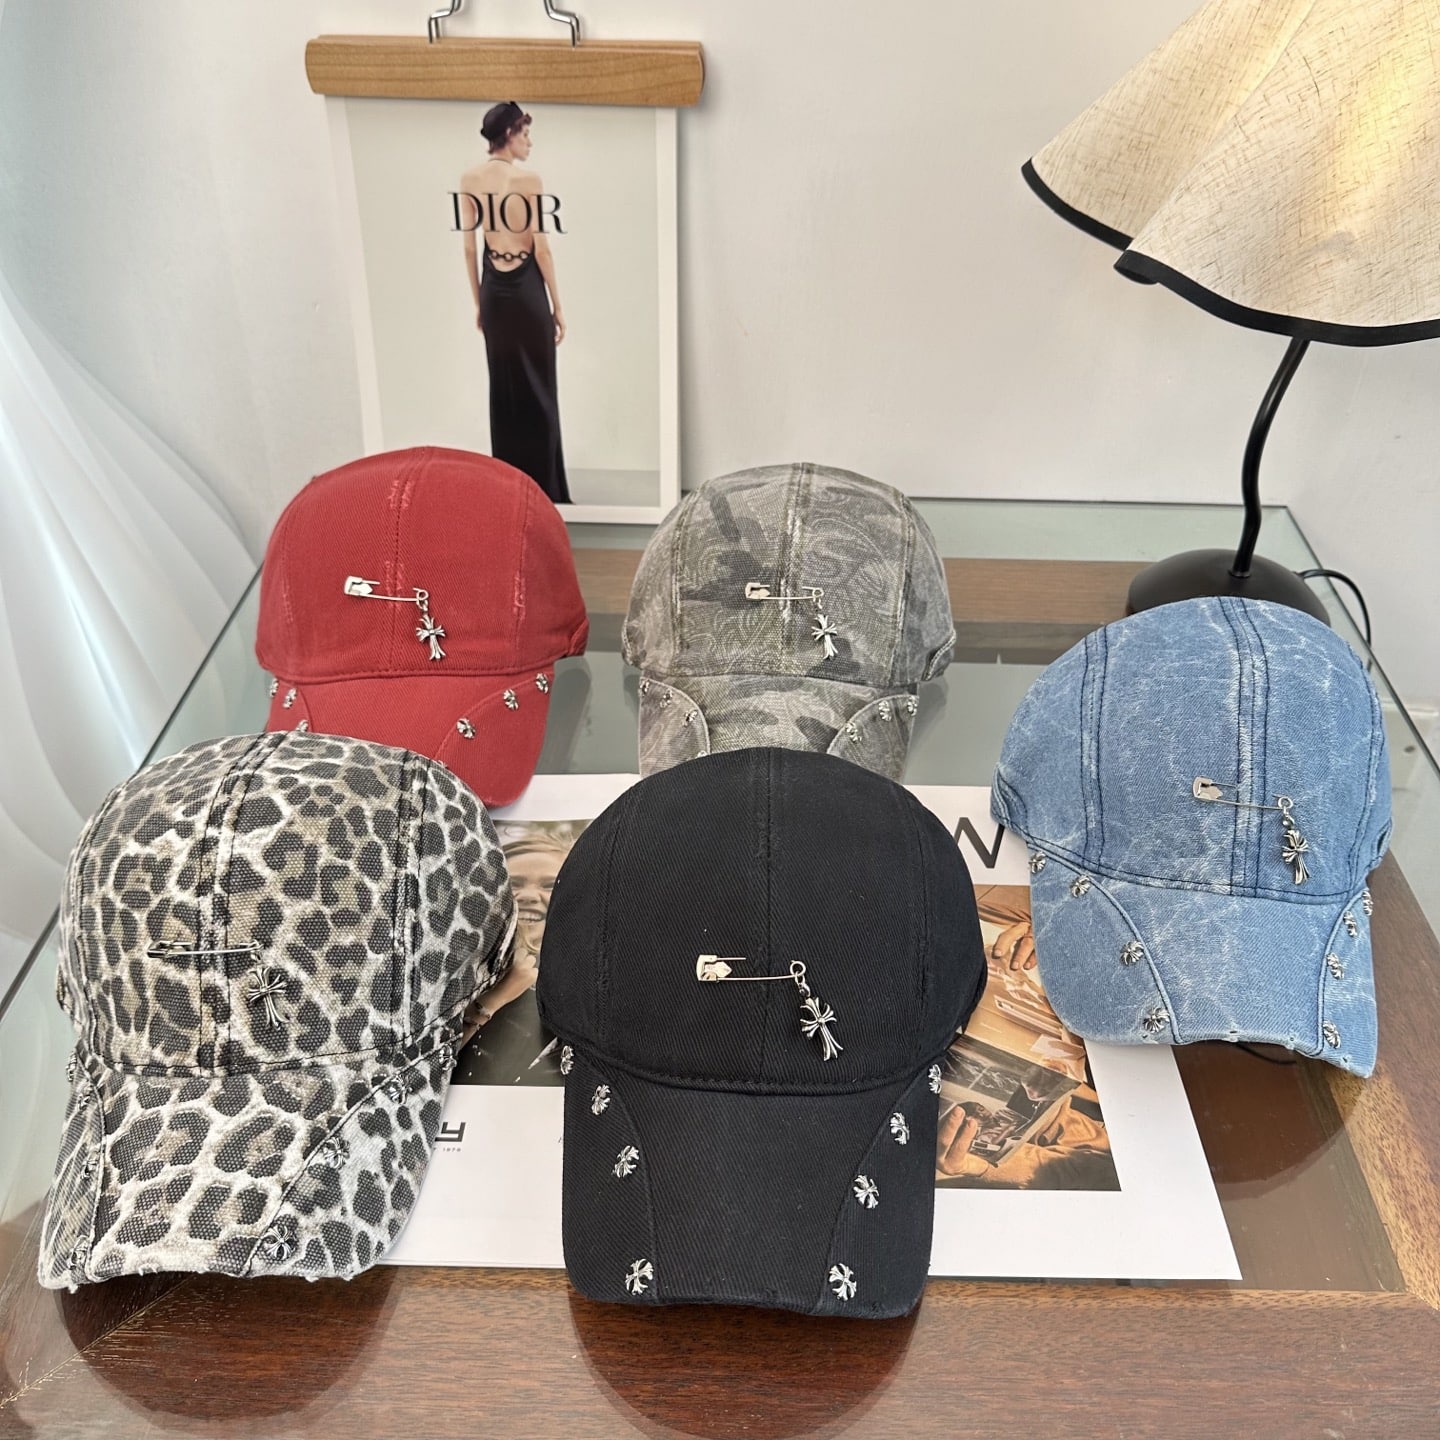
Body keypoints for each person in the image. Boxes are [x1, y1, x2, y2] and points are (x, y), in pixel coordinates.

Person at [460, 101, 570, 504]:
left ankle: (508, 492)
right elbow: (542, 249)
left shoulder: (469, 179)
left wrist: (479, 302)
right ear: (509, 134)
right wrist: (557, 306)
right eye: (525, 133)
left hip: (493, 290)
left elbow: (469, 249)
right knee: (541, 387)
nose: (530, 142)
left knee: (504, 389)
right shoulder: (529, 181)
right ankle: (547, 492)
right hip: (526, 291)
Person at [451, 821, 587, 1085]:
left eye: (550, 885)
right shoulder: (455, 962)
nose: (529, 895)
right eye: (514, 883)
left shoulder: (585, 988)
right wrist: (493, 1000)